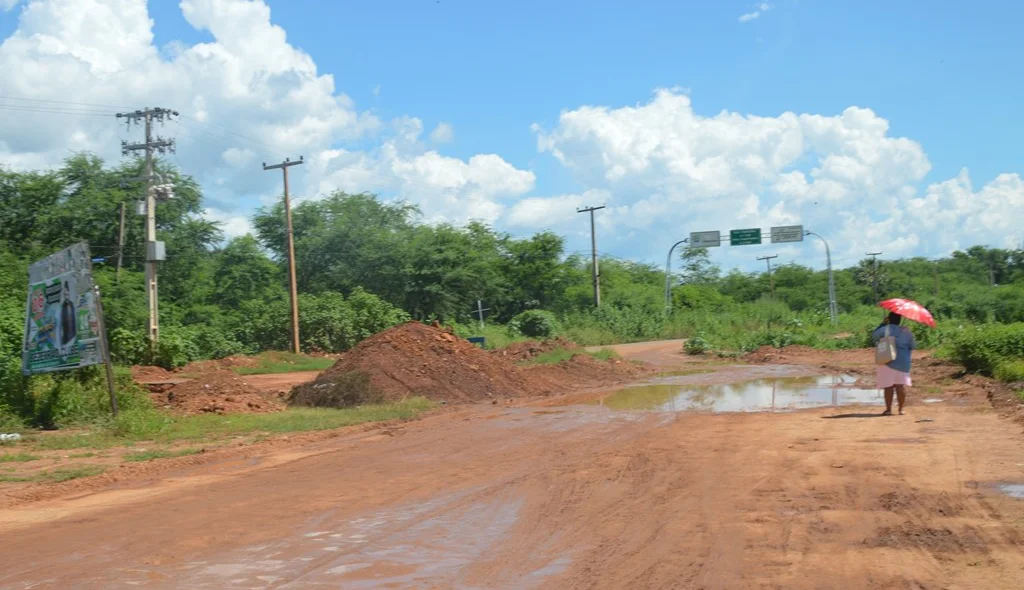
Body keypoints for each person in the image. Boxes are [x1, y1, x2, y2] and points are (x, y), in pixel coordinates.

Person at [872, 312, 916, 415]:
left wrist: (882, 324)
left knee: (888, 387)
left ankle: (888, 409)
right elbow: (913, 346)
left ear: (889, 319)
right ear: (900, 320)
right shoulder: (907, 332)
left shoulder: (885, 329)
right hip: (903, 363)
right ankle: (901, 409)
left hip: (887, 360)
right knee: (900, 386)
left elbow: (874, 335)